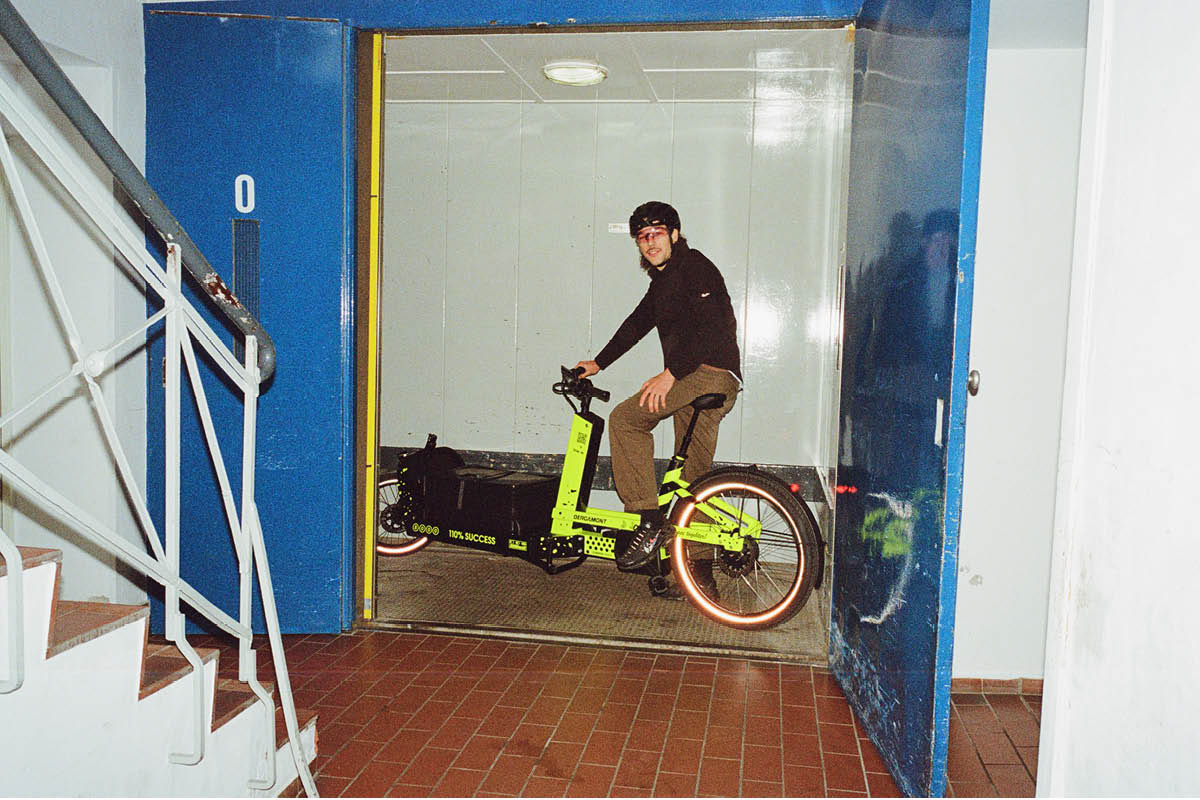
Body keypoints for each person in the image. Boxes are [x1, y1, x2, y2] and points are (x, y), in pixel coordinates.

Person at [575, 201, 742, 579]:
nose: (650, 242)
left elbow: (714, 327)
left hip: (709, 375)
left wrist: (671, 374)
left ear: (675, 235)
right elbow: (636, 324)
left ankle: (645, 519)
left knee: (625, 420)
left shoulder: (694, 267)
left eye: (657, 233)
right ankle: (699, 575)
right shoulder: (663, 282)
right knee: (693, 482)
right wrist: (598, 363)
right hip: (703, 378)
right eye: (642, 237)